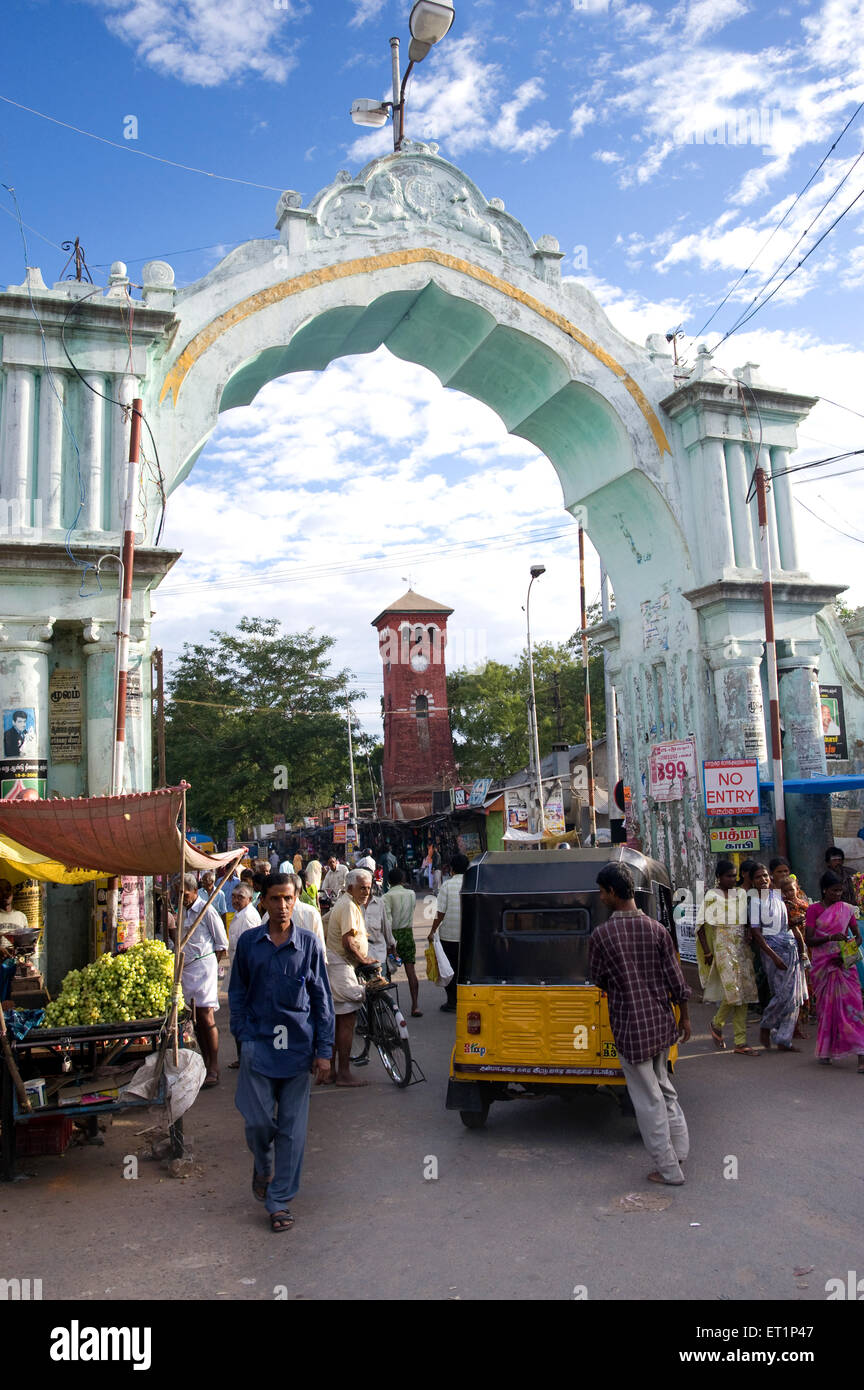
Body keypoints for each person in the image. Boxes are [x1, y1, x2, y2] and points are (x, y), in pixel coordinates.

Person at [229, 874, 334, 1233]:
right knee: (258, 1121)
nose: (283, 906)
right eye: (275, 899)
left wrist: (324, 1051)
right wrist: (242, 1036)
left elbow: (322, 1001)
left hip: (297, 1051)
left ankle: (278, 1200)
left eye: (288, 898)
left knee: (292, 1130)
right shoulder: (248, 943)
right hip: (258, 1046)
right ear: (264, 901)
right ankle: (262, 1164)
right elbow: (238, 994)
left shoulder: (307, 945)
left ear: (296, 898)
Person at [590, 862, 691, 1186]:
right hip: (661, 1023)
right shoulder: (657, 929)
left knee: (648, 1100)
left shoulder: (602, 935)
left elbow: (598, 980)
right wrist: (685, 1017)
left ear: (613, 892)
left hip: (631, 1027)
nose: (600, 897)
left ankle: (669, 1170)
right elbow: (677, 981)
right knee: (665, 1090)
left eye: (602, 891)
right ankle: (679, 1154)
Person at [324, 868, 385, 1085]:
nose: (366, 892)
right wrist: (363, 959)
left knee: (337, 1021)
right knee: (347, 1021)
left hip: (337, 964)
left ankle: (331, 1071)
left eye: (368, 888)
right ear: (350, 887)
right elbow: (348, 943)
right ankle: (343, 1073)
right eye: (362, 888)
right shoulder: (349, 905)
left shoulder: (346, 903)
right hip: (341, 965)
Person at [171, 872, 228, 1087]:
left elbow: (221, 944)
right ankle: (204, 1064)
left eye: (185, 894)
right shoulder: (181, 911)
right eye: (178, 894)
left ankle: (214, 1066)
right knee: (194, 1020)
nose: (182, 898)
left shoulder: (207, 910)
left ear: (195, 892)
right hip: (186, 970)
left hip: (204, 969)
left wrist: (211, 968)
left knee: (206, 1016)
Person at [696, 858, 759, 1055]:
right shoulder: (711, 896)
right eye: (729, 876)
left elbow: (746, 919)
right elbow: (699, 926)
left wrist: (748, 932)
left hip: (741, 946)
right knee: (733, 991)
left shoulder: (740, 893)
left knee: (745, 993)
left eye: (735, 876)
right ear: (719, 877)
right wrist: (707, 951)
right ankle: (717, 1023)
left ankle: (740, 1041)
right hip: (722, 945)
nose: (733, 879)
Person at [804, 870, 864, 1071]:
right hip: (823, 966)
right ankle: (827, 1049)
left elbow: (857, 937)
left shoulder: (846, 909)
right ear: (824, 890)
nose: (837, 895)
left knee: (854, 1009)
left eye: (840, 891)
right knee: (827, 1009)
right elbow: (809, 939)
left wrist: (845, 955)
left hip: (845, 965)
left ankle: (861, 1055)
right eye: (834, 891)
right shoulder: (814, 910)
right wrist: (830, 938)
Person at [748, 862, 807, 1051]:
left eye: (765, 875)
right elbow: (757, 934)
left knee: (796, 996)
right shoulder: (755, 902)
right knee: (782, 995)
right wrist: (774, 957)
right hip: (773, 951)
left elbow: (789, 922)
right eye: (758, 877)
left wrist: (800, 944)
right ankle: (766, 1024)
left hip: (791, 948)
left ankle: (783, 1039)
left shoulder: (777, 895)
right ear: (752, 881)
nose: (763, 879)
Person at [428, 853, 469, 1013]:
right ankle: (467, 999)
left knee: (450, 969)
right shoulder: (473, 883)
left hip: (449, 937)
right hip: (469, 936)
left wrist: (432, 931)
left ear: (451, 868)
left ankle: (453, 1001)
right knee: (466, 969)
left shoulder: (447, 885)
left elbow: (440, 912)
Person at [226, 884, 262, 1068]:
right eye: (233, 896)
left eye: (239, 897)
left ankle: (248, 1058)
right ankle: (243, 1057)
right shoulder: (239, 916)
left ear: (249, 899)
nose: (235, 900)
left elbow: (251, 951)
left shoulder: (248, 917)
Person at [384, 868, 421, 1016]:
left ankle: (390, 1006)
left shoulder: (386, 897)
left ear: (388, 882)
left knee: (388, 972)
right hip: (407, 933)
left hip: (393, 934)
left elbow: (388, 920)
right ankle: (416, 1006)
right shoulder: (411, 894)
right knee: (410, 970)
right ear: (403, 880)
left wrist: (391, 943)